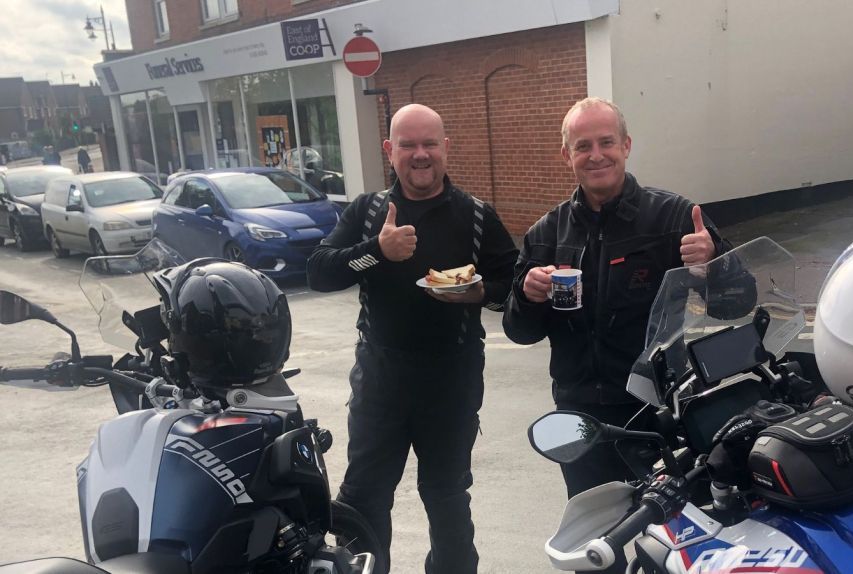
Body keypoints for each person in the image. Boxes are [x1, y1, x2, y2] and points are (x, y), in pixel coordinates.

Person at [502, 97, 733, 537]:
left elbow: (737, 301)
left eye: (606, 142)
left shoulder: (675, 217)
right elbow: (519, 332)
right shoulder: (544, 234)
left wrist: (714, 261)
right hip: (579, 415)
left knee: (676, 536)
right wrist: (527, 296)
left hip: (658, 411)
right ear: (566, 154)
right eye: (582, 145)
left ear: (626, 145)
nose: (596, 154)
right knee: (596, 540)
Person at [307, 103, 518, 574]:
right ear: (390, 150)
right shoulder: (368, 212)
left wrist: (479, 292)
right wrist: (376, 252)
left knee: (446, 497)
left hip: (452, 379)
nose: (420, 155)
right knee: (362, 499)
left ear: (446, 147)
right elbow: (320, 273)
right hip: (381, 378)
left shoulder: (476, 216)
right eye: (408, 145)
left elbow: (513, 283)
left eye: (429, 144)